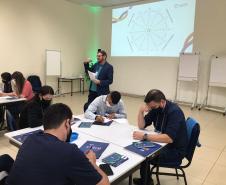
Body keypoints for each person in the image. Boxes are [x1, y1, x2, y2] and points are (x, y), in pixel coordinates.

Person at [6, 103, 110, 185]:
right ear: (66, 123)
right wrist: (93, 163)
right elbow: (104, 183)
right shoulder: (70, 151)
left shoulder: (30, 139)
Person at [132, 89, 188, 185]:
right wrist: (141, 111)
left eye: (153, 106)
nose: (151, 109)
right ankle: (145, 179)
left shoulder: (174, 112)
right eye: (149, 107)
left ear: (162, 102)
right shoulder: (156, 108)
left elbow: (169, 138)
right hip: (163, 144)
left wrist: (145, 136)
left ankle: (147, 182)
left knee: (144, 154)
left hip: (174, 150)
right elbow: (142, 126)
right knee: (137, 147)